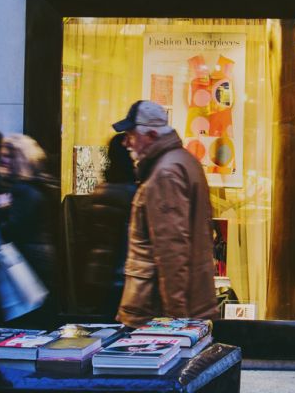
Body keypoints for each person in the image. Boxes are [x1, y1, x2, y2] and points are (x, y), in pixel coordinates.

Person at [113, 100, 218, 327]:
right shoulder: (183, 161)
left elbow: (172, 249)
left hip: (155, 309)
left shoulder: (165, 173)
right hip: (188, 300)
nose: (125, 142)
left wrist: (175, 320)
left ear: (150, 135)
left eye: (130, 135)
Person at [0, 134, 58, 328]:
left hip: (25, 260)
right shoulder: (41, 185)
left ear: (19, 159)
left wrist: (4, 208)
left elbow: (13, 229)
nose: (3, 159)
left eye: (9, 155)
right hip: (40, 257)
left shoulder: (22, 191)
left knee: (26, 317)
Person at [79, 133, 136, 320]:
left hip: (97, 272)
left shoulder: (100, 190)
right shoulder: (132, 193)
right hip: (122, 274)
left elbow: (87, 235)